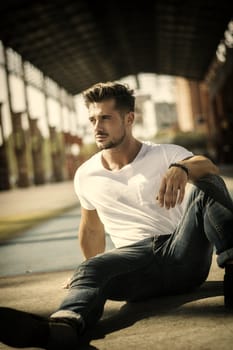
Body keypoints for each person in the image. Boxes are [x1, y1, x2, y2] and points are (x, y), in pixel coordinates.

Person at [0, 82, 233, 350]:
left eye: (105, 118)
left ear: (129, 118)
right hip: (136, 269)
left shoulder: (165, 153)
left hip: (182, 253)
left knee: (208, 182)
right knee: (90, 268)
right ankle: (63, 327)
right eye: (92, 119)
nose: (97, 127)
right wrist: (87, 276)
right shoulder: (86, 175)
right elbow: (90, 229)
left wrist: (182, 168)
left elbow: (208, 167)